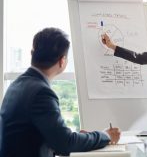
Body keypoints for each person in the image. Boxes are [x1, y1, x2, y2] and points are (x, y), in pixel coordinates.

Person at [0, 28, 121, 157]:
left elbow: (52, 139)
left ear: (32, 53)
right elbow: (65, 144)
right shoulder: (41, 93)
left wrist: (79, 138)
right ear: (62, 61)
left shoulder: (16, 85)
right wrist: (105, 135)